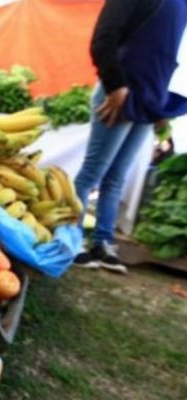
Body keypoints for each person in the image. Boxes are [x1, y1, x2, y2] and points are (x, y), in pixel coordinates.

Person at [73, 0, 187, 273]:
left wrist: (163, 104)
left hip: (150, 101)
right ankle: (71, 239)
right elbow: (103, 40)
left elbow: (168, 55)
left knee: (116, 178)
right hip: (120, 96)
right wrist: (116, 86)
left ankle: (102, 242)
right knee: (92, 173)